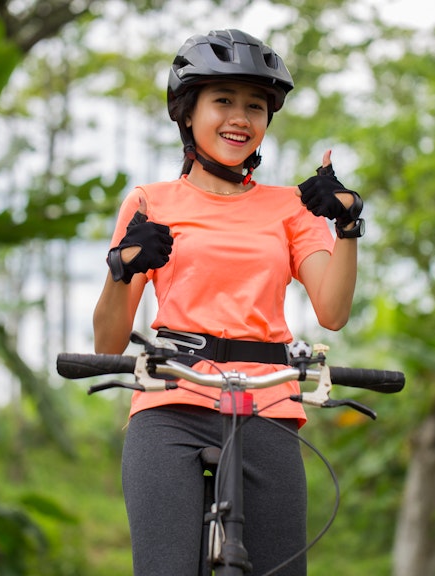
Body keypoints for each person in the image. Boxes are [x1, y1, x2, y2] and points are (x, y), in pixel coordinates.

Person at [93, 28, 364, 576]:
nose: (240, 117)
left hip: (267, 404)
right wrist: (122, 268)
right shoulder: (150, 202)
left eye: (255, 106)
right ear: (188, 114)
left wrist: (349, 223)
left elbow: (332, 311)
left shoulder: (292, 206)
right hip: (170, 403)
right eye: (223, 101)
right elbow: (107, 343)